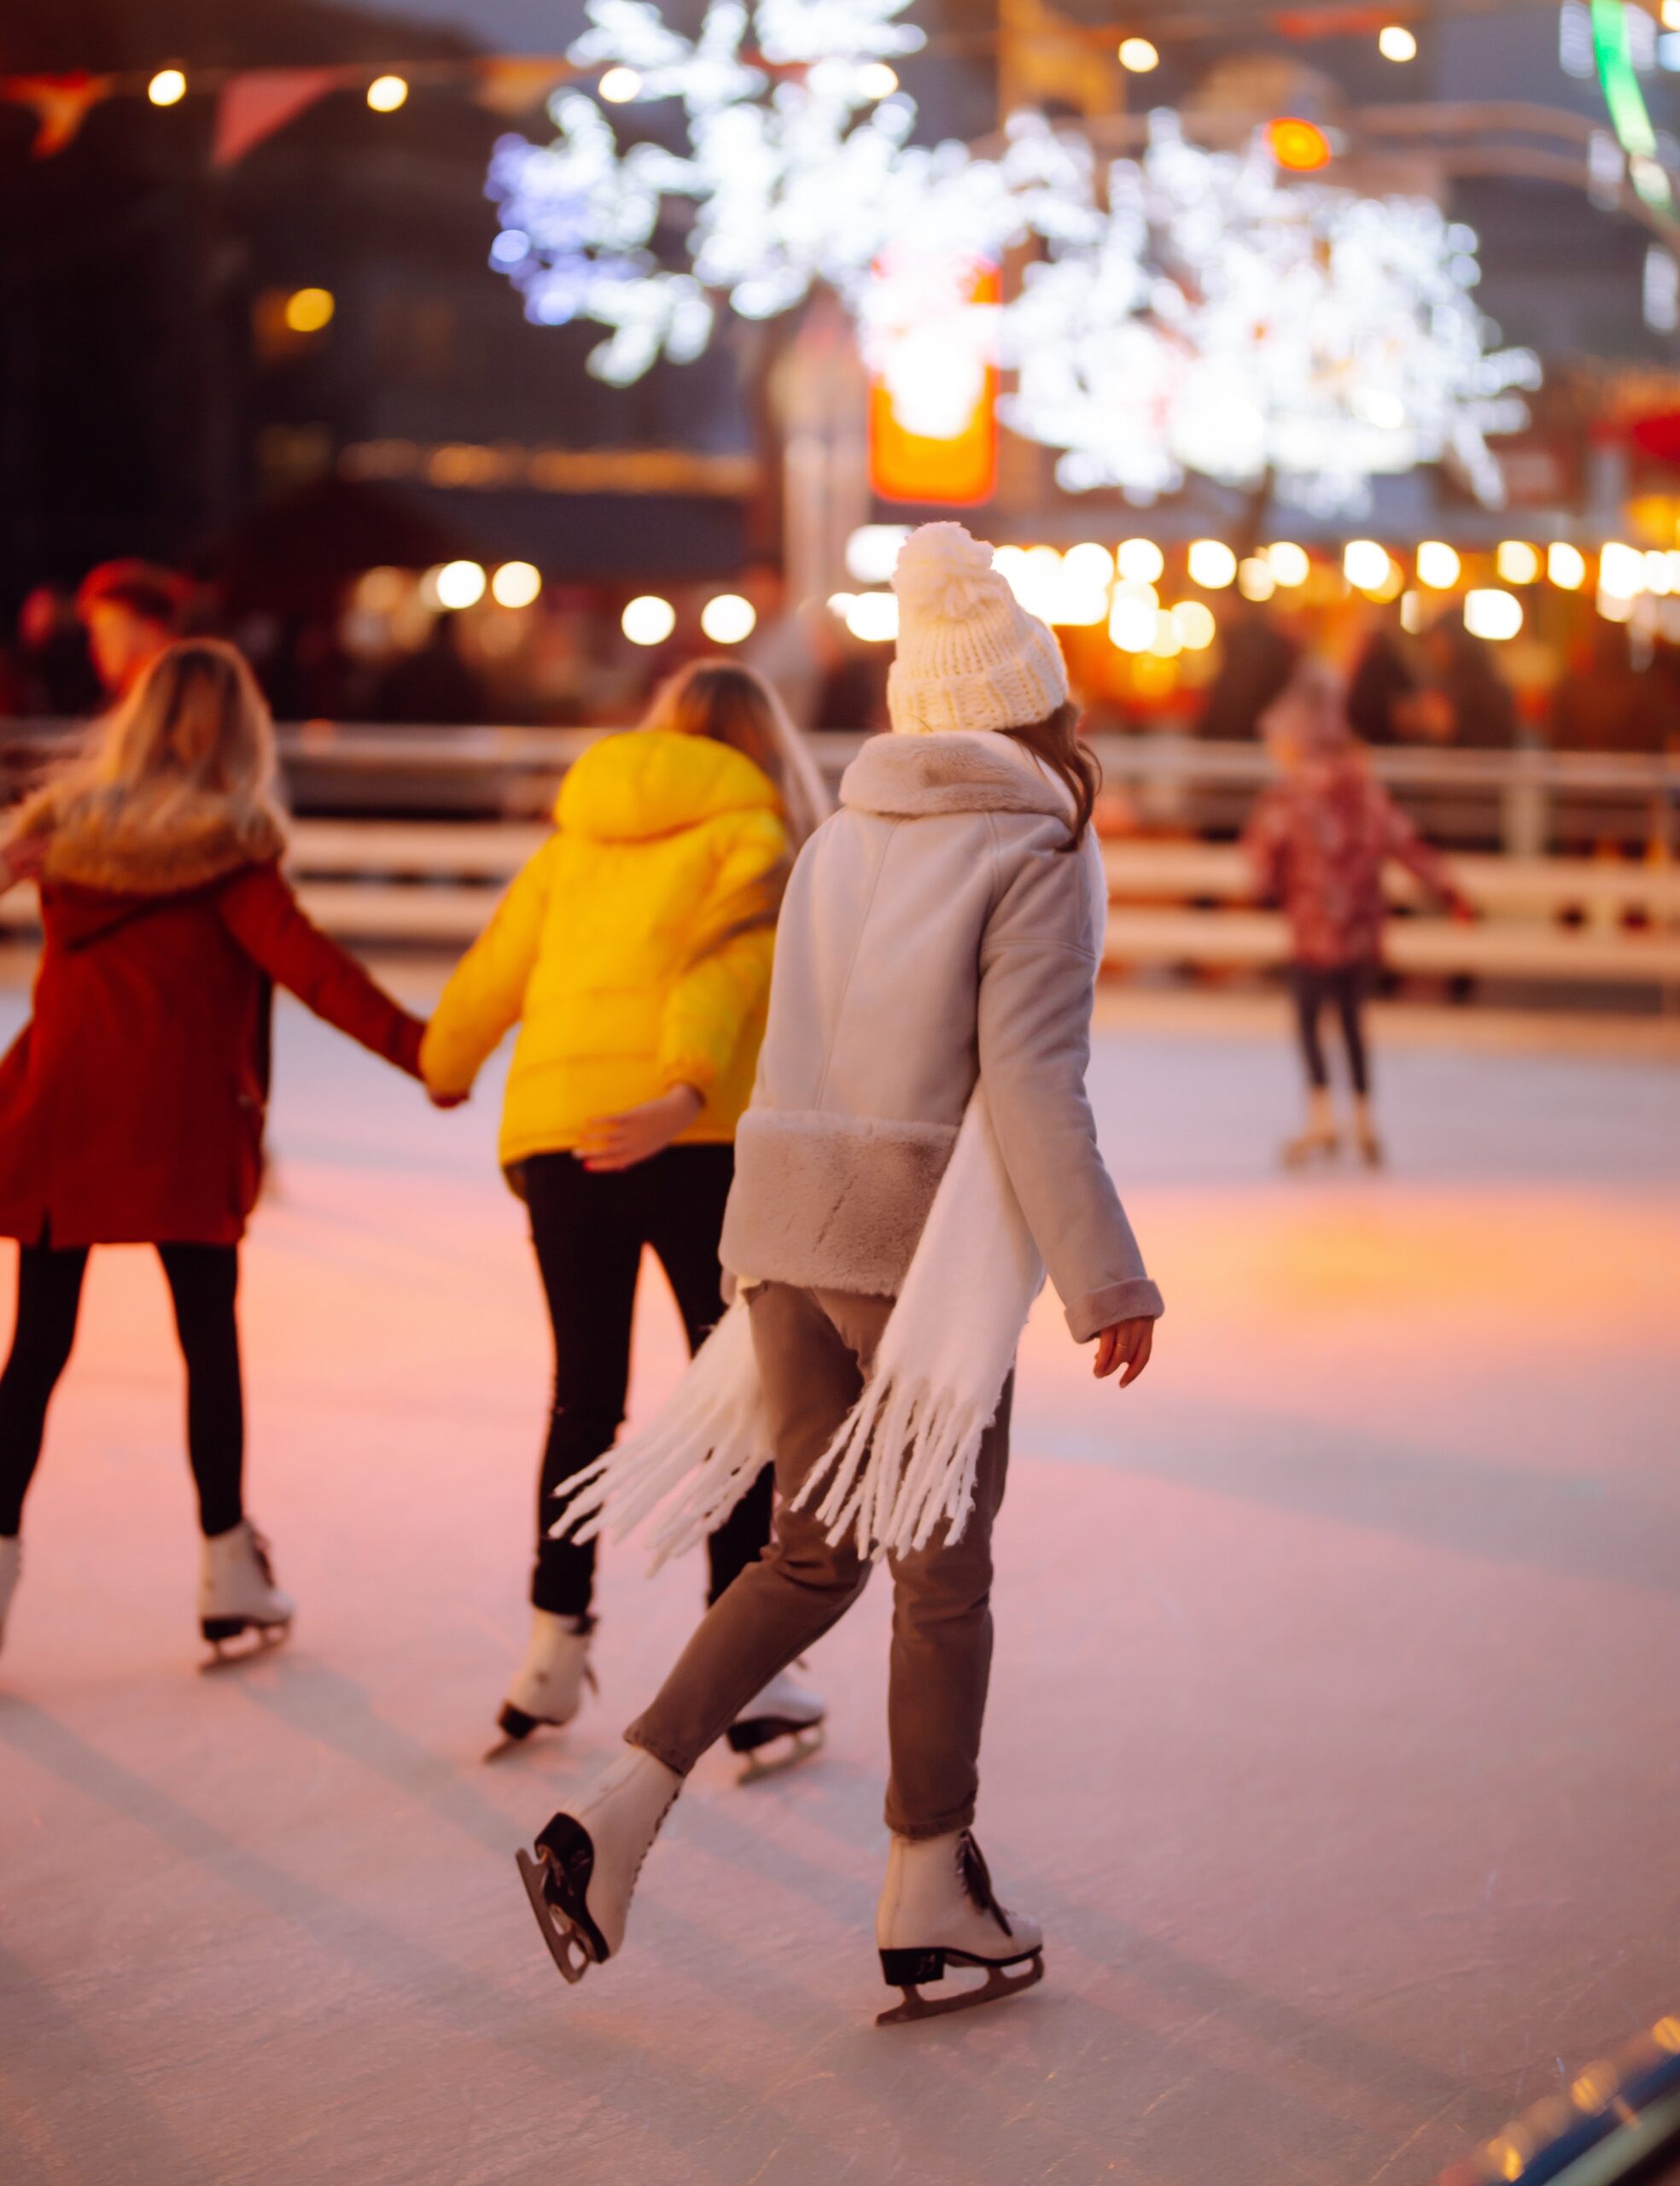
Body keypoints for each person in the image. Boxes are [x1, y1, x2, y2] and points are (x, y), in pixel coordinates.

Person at [509, 523, 1164, 2025]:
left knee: (808, 1559)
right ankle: (929, 1879)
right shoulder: (1036, 845)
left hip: (781, 1239)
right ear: (1036, 701)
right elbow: (1031, 1082)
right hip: (910, 1259)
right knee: (942, 1583)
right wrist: (1105, 1275)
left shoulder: (840, 839)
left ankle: (609, 1818)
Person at [420, 660, 834, 1762]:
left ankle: (551, 1650)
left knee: (584, 1394)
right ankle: (744, 1677)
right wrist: (682, 1090)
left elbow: (496, 966)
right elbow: (723, 971)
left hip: (561, 1141)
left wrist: (447, 1060)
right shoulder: (757, 834)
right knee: (733, 1400)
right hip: (693, 1140)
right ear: (763, 743)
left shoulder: (577, 838)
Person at [0, 640, 429, 1665]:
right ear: (240, 732)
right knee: (207, 1343)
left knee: (36, 1350)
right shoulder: (227, 853)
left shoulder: (62, 837)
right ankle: (228, 1568)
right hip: (180, 1130)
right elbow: (312, 969)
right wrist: (424, 1050)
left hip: (63, 1112)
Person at [1243, 654, 1471, 1170]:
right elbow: (1404, 841)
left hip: (1311, 929)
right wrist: (1449, 892)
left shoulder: (1291, 790)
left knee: (1309, 1020)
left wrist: (1268, 884)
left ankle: (1322, 1114)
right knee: (1351, 1020)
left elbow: (1261, 855)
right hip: (1359, 929)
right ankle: (1364, 1117)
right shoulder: (1363, 785)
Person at [75, 560, 192, 703]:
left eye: (109, 630)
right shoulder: (134, 699)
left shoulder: (181, 694)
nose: (96, 646)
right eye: (95, 635)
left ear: (152, 628)